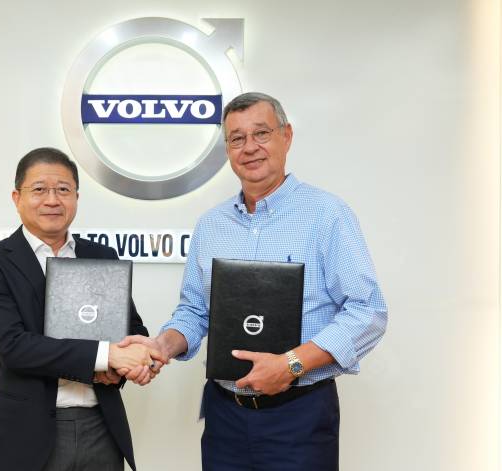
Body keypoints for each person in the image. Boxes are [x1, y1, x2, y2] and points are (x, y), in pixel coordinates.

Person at [120, 92, 388, 470]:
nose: (249, 148)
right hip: (225, 416)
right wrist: (162, 345)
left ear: (286, 136)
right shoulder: (211, 225)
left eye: (261, 133)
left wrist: (291, 364)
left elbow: (367, 312)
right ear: (228, 149)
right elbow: (194, 310)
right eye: (237, 138)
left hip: (300, 417)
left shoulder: (327, 215)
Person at [0, 147, 164, 471]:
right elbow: (14, 347)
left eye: (63, 189)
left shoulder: (100, 256)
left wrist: (136, 359)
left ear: (76, 197)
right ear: (17, 197)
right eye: (39, 189)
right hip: (26, 432)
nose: (52, 200)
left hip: (101, 427)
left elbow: (130, 327)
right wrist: (107, 356)